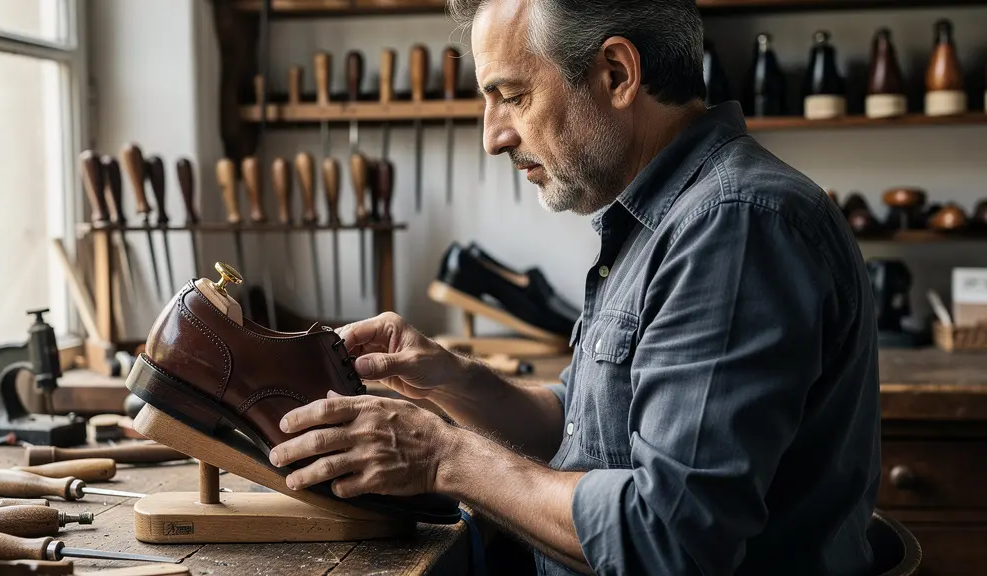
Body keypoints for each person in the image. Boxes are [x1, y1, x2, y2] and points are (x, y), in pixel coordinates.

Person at [267, 0, 882, 574]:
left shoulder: (734, 226)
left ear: (617, 74)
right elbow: (583, 430)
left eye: (512, 96)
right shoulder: (657, 221)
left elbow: (671, 538)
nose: (494, 137)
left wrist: (441, 456)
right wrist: (454, 380)